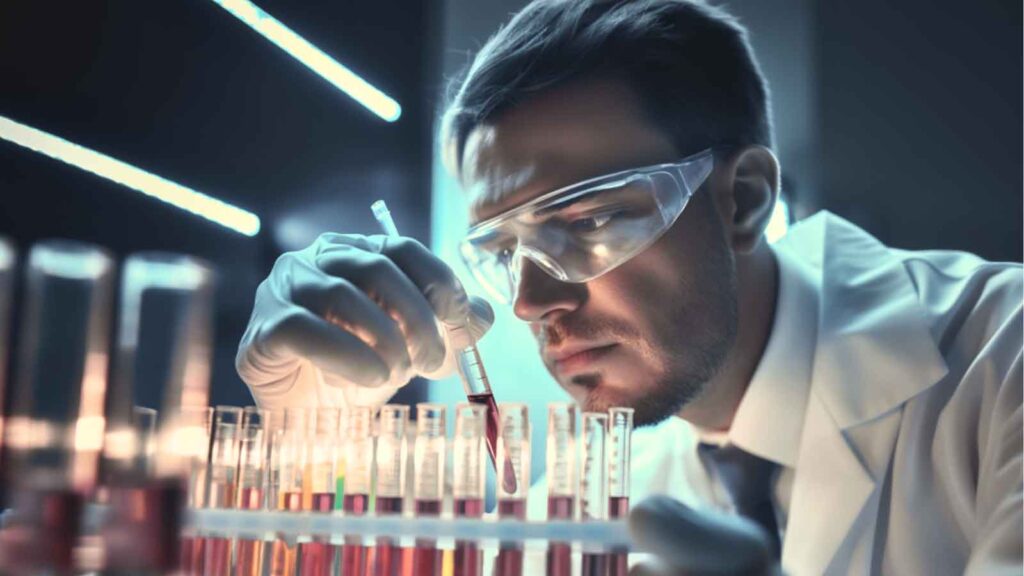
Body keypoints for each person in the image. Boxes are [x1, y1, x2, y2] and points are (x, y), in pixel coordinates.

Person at [236, 1, 1022, 573]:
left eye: (584, 223)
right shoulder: (599, 498)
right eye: (504, 251)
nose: (531, 302)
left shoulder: (1001, 357)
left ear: (743, 198)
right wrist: (312, 450)